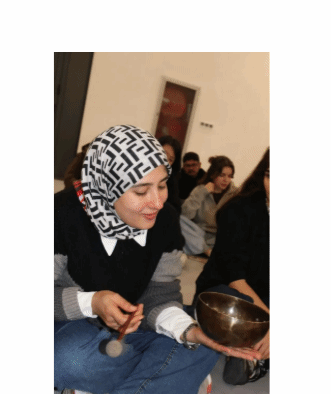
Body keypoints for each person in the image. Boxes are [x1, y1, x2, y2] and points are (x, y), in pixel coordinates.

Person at [55, 125, 260, 394]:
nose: (157, 203)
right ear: (106, 187)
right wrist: (92, 302)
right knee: (68, 361)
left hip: (138, 330)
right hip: (75, 327)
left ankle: (120, 382)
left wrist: (188, 331)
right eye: (141, 192)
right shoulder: (61, 214)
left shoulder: (165, 220)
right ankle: (171, 378)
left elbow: (160, 294)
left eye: (162, 186)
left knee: (205, 339)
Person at [195, 148, 270, 385]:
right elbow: (235, 278)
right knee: (234, 310)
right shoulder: (238, 209)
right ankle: (251, 352)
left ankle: (252, 351)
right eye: (271, 176)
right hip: (227, 293)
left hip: (265, 300)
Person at [181, 155, 235, 256]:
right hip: (198, 235)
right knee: (178, 220)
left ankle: (202, 249)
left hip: (219, 237)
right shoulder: (200, 190)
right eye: (222, 175)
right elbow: (185, 215)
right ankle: (207, 251)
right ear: (212, 174)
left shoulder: (234, 194)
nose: (226, 180)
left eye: (229, 176)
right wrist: (203, 192)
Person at [158, 135, 183, 214]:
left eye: (170, 159)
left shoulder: (171, 182)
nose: (165, 161)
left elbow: (175, 211)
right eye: (163, 153)